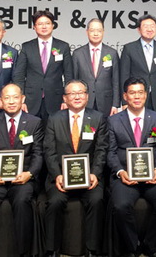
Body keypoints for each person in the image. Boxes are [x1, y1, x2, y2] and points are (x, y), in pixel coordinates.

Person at [0, 83, 43, 257]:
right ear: (1, 101)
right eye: (7, 98)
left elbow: (38, 154)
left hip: (23, 179)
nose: (11, 101)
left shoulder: (35, 122)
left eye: (15, 97)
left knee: (22, 201)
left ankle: (23, 253)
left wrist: (29, 174)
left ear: (22, 99)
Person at [107, 77, 156, 257]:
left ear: (146, 94)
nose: (137, 97)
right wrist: (120, 172)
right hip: (125, 175)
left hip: (153, 175)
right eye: (132, 93)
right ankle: (133, 247)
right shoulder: (113, 121)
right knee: (120, 206)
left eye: (140, 92)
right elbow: (110, 152)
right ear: (125, 96)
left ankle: (151, 245)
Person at [43, 80, 108, 257]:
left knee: (96, 200)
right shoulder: (54, 119)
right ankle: (52, 249)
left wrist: (95, 174)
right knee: (55, 202)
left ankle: (92, 249)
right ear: (65, 98)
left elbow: (101, 150)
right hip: (61, 178)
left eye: (81, 93)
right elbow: (49, 151)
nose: (77, 96)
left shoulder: (98, 118)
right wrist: (57, 175)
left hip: (90, 177)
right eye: (72, 93)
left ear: (87, 96)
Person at [12, 10, 73, 119]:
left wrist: (67, 99)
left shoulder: (63, 46)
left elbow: (69, 75)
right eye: (40, 24)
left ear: (53, 26)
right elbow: (19, 76)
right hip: (31, 101)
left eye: (47, 23)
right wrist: (21, 99)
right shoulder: (27, 47)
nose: (44, 26)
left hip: (56, 101)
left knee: (54, 129)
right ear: (34, 27)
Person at [120, 14, 156, 114]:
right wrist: (124, 101)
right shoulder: (129, 48)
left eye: (152, 26)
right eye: (145, 26)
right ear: (138, 29)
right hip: (136, 98)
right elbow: (124, 76)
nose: (149, 29)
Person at [72, 18, 120, 116]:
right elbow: (74, 80)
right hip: (84, 101)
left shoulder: (112, 53)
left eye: (99, 31)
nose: (95, 34)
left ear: (103, 32)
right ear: (87, 32)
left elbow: (116, 81)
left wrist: (115, 104)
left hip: (106, 102)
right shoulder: (78, 54)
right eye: (92, 30)